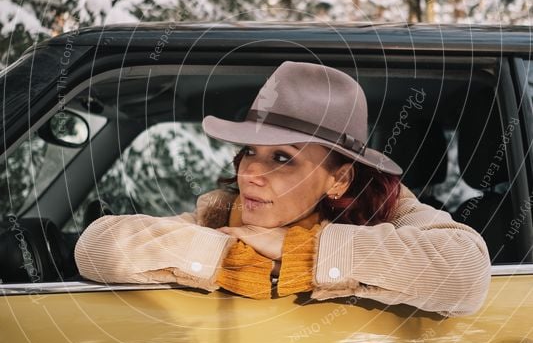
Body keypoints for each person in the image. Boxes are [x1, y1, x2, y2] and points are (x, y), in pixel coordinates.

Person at [75, 61, 491, 316]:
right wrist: (234, 255)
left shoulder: (395, 211)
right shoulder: (225, 215)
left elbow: (466, 273)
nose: (251, 172)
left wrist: (299, 253)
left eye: (282, 158)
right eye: (251, 150)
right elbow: (97, 246)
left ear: (339, 178)